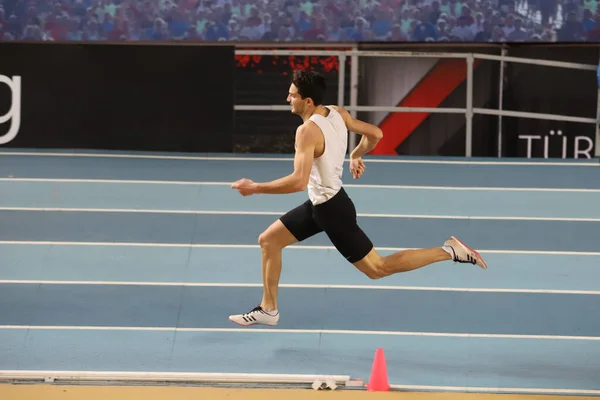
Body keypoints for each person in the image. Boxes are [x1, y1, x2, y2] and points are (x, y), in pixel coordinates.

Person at [229, 69, 487, 327]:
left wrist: (255, 187)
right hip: (320, 205)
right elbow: (376, 134)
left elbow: (298, 181)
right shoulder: (336, 113)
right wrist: (355, 154)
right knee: (268, 241)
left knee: (378, 268)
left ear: (308, 101)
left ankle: (448, 251)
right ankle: (268, 309)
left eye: (292, 95)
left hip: (332, 211)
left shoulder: (306, 132)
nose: (288, 99)